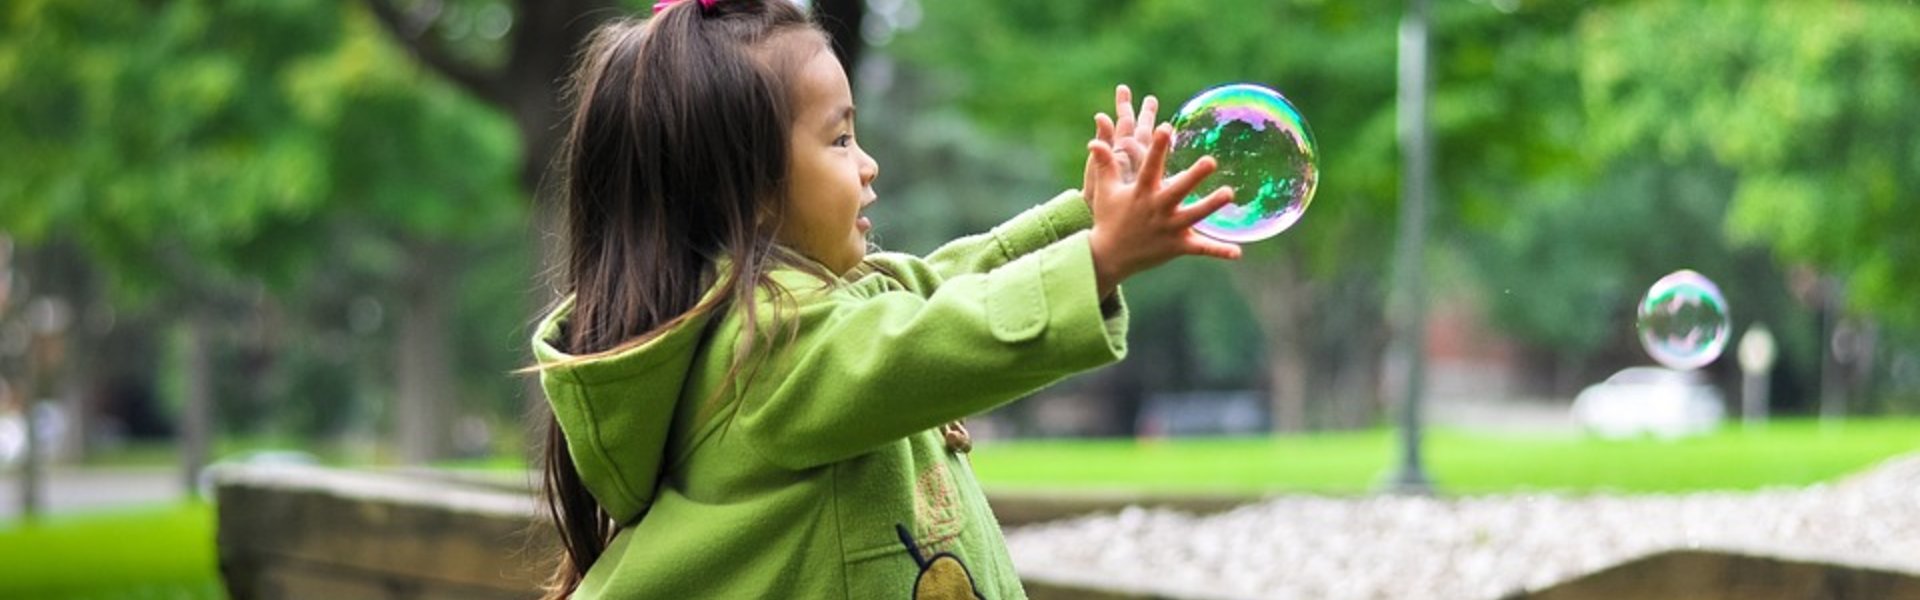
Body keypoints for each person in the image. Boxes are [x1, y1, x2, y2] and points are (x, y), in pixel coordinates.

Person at [527, 0, 1238, 598]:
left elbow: (940, 285)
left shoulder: (807, 314)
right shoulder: (765, 350)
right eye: (839, 139)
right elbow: (925, 339)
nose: (868, 164)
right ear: (751, 192)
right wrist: (1101, 259)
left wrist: (1087, 219)